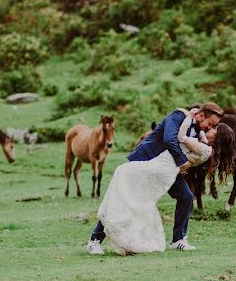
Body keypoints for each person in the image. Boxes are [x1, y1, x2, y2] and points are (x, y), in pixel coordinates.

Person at [86, 103, 224, 255]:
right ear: (201, 115)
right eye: (210, 124)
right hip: (145, 162)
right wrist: (182, 162)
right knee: (126, 201)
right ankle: (95, 240)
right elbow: (169, 139)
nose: (209, 128)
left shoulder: (197, 128)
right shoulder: (177, 116)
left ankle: (178, 239)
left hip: (166, 169)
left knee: (186, 196)